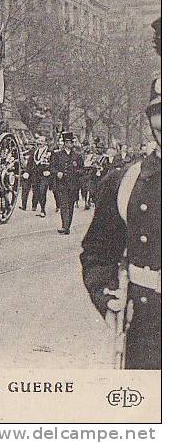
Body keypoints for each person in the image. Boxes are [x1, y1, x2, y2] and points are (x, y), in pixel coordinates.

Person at [80, 72, 161, 369]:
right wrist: (107, 297)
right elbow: (98, 254)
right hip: (146, 329)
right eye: (159, 112)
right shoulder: (125, 181)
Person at [50, 131, 83, 234]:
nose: (70, 144)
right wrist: (57, 173)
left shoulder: (77, 155)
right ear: (64, 143)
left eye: (71, 142)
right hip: (62, 183)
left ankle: (67, 226)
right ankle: (65, 227)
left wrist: (76, 172)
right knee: (64, 205)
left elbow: (82, 169)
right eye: (68, 142)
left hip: (73, 184)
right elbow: (52, 167)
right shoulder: (57, 154)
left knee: (70, 205)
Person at [29, 135, 52, 217]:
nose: (40, 143)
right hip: (36, 174)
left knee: (42, 191)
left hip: (44, 174)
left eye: (42, 141)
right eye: (39, 141)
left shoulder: (49, 151)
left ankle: (43, 210)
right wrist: (28, 172)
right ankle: (39, 206)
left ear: (45, 143)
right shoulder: (35, 151)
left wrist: (49, 171)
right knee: (36, 191)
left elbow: (53, 163)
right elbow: (30, 162)